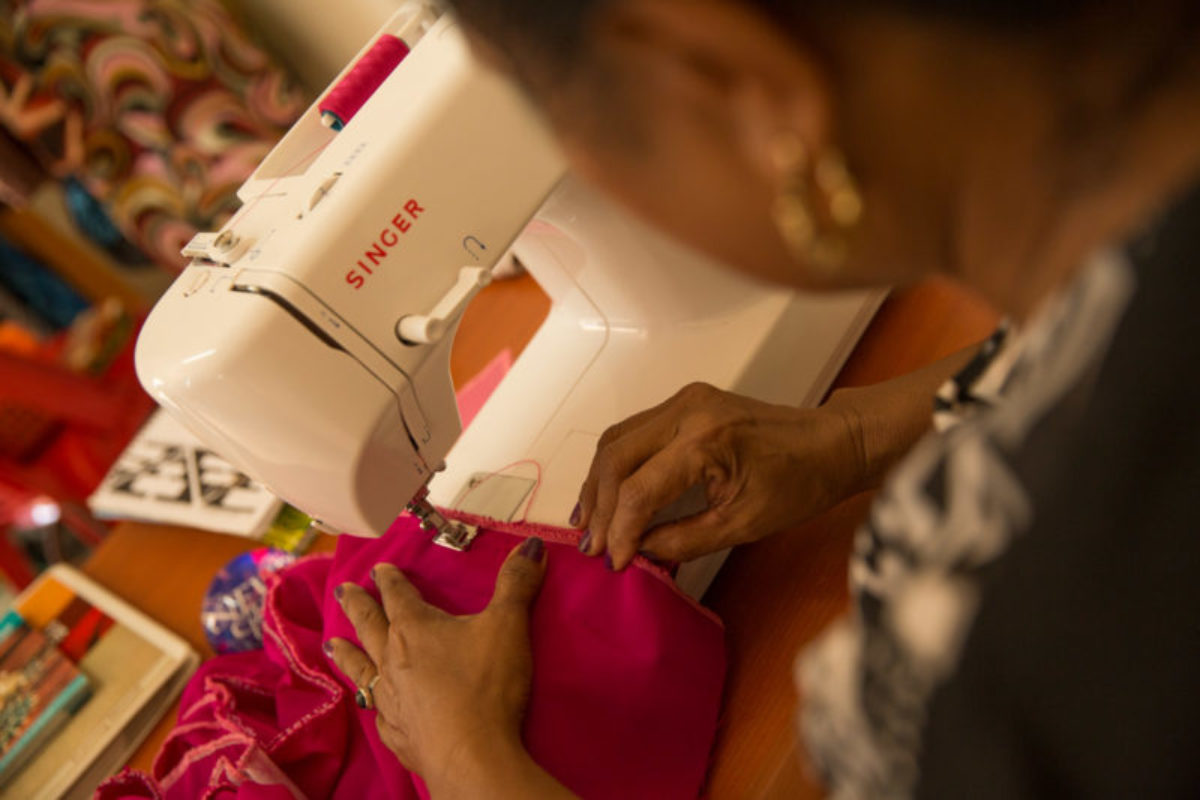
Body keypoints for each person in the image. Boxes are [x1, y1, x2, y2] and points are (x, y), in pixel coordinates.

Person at [326, 1, 1200, 796]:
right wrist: (858, 432)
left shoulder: (990, 633)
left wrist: (467, 758)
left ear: (737, 83)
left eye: (563, 125)